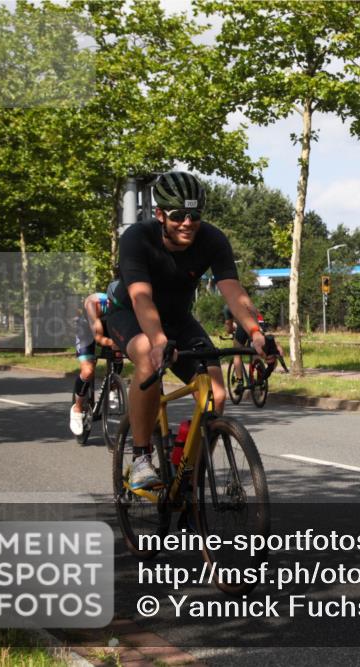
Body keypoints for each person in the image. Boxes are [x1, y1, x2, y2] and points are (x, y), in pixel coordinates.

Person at [105, 171, 280, 490]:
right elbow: (141, 297)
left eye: (194, 216)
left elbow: (233, 291)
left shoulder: (212, 239)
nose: (187, 223)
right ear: (160, 215)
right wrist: (159, 341)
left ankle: (188, 476)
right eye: (178, 216)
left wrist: (257, 333)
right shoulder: (137, 238)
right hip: (130, 314)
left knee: (216, 395)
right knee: (147, 355)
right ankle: (141, 458)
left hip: (179, 319)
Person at [68, 280, 121, 436]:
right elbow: (98, 338)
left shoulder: (128, 305)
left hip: (109, 326)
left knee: (118, 353)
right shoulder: (94, 303)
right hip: (86, 330)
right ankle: (77, 409)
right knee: (88, 371)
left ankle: (113, 387)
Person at [223, 302, 266, 391]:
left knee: (237, 352)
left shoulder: (228, 307)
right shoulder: (246, 300)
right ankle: (261, 378)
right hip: (260, 322)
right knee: (255, 350)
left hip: (246, 324)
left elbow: (229, 328)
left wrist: (232, 330)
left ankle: (240, 382)